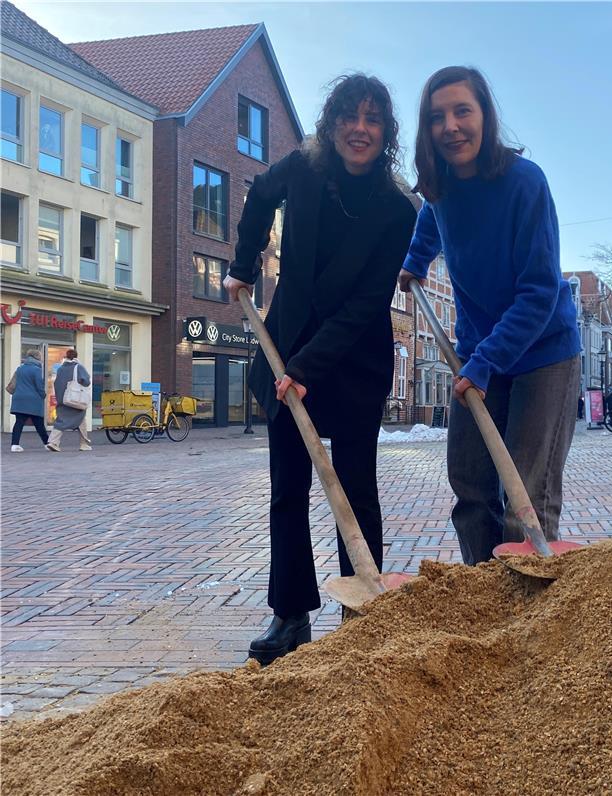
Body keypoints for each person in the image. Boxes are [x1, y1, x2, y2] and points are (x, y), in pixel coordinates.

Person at [223, 74, 416, 666]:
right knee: (288, 487)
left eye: (372, 119)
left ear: (385, 133)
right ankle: (290, 614)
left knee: (354, 487)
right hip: (287, 344)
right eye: (348, 117)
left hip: (353, 360)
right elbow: (257, 195)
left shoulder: (396, 208)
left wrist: (307, 367)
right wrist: (243, 264)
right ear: (332, 125)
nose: (359, 129)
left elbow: (364, 304)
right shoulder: (301, 170)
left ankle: (360, 610)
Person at [399, 66, 582, 564]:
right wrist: (415, 262)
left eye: (463, 111)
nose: (451, 126)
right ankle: (483, 600)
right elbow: (430, 216)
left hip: (544, 352)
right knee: (472, 487)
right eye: (438, 117)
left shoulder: (525, 183)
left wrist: (485, 361)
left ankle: (526, 614)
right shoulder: (440, 188)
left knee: (525, 495)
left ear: (485, 115)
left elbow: (540, 290)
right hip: (478, 352)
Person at [46, 349, 92, 452]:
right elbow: (86, 381)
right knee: (81, 419)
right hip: (75, 400)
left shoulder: (61, 369)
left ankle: (53, 442)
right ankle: (83, 444)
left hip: (63, 399)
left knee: (61, 420)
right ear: (76, 356)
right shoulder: (78, 367)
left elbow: (56, 383)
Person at [8, 349, 49, 452]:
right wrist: (43, 395)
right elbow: (39, 386)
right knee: (39, 423)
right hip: (32, 400)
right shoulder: (37, 370)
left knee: (19, 422)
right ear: (37, 357)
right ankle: (47, 443)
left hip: (19, 399)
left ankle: (14, 444)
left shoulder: (20, 368)